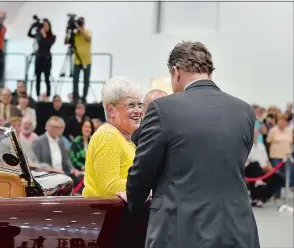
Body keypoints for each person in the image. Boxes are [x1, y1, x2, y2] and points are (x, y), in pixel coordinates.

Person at [120, 41, 260, 248]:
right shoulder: (244, 111)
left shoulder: (163, 109)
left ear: (176, 72)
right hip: (237, 229)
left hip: (181, 231)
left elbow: (143, 170)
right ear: (209, 71)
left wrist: (133, 200)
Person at [82, 76, 143, 197]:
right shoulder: (108, 136)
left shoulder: (122, 136)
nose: (138, 111)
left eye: (140, 104)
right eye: (131, 105)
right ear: (111, 110)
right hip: (105, 214)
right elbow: (110, 187)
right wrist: (149, 184)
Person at [31, 116, 82, 184]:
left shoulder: (61, 141)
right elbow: (34, 164)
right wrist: (52, 170)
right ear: (47, 127)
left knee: (81, 179)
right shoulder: (38, 141)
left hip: (62, 174)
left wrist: (72, 169)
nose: (60, 130)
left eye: (61, 128)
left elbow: (66, 159)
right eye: (56, 127)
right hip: (47, 176)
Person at [65, 17, 92, 103]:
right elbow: (66, 42)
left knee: (86, 80)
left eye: (80, 24)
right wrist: (67, 31)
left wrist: (79, 28)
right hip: (77, 61)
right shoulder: (75, 34)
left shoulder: (87, 31)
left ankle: (84, 97)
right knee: (75, 80)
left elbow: (88, 38)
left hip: (86, 61)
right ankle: (75, 97)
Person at [28, 19, 56, 100]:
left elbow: (48, 43)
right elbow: (29, 34)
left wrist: (44, 34)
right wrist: (33, 26)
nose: (45, 27)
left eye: (46, 25)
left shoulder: (52, 36)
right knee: (38, 78)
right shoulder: (38, 35)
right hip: (39, 58)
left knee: (47, 78)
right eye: (44, 25)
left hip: (47, 59)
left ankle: (48, 95)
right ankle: (37, 95)